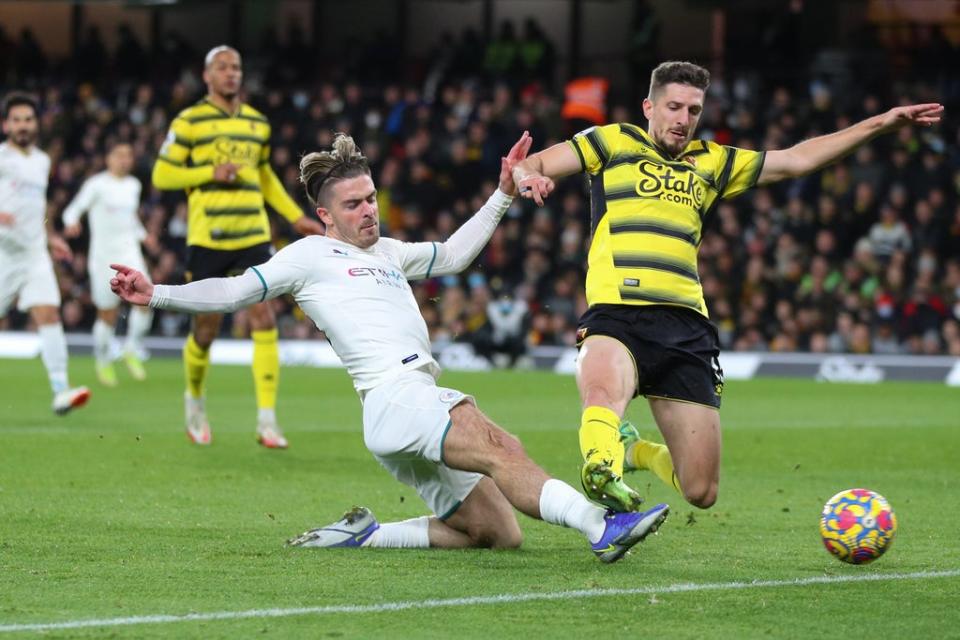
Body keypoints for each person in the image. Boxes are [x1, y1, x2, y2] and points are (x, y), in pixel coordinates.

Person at [111, 131, 670, 563]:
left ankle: (368, 536)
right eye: (353, 204)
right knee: (501, 444)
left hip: (402, 409)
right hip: (394, 396)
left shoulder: (389, 252)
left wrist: (501, 196)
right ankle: (601, 527)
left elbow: (452, 255)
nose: (369, 211)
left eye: (372, 198)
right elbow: (234, 291)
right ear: (325, 216)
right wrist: (155, 293)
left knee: (498, 534)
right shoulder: (308, 256)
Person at [511, 60, 943, 512]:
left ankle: (633, 450)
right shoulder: (612, 140)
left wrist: (881, 123)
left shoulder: (714, 161)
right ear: (649, 107)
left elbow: (796, 160)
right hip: (617, 313)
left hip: (685, 329)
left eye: (693, 110)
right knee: (601, 390)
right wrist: (530, 176)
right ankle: (601, 468)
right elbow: (536, 161)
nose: (683, 119)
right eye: (674, 107)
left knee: (700, 490)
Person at [151, 45, 325, 449]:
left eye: (237, 68)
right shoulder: (190, 120)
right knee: (206, 329)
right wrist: (209, 171)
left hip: (253, 235)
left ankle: (267, 419)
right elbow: (162, 174)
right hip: (208, 237)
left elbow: (263, 175)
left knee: (264, 318)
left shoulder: (256, 123)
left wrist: (292, 215)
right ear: (207, 76)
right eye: (223, 68)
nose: (232, 74)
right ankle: (194, 401)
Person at [0, 92, 90, 415]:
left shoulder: (41, 161)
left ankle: (60, 390)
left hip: (34, 253)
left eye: (28, 119)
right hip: (3, 254)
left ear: (36, 124)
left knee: (49, 313)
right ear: (6, 124)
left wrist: (51, 237)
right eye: (17, 120)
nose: (23, 125)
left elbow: (38, 208)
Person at [62, 142, 153, 387]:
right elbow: (72, 210)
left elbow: (130, 218)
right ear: (109, 158)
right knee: (108, 313)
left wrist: (144, 236)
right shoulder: (97, 185)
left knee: (147, 299)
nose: (125, 160)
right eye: (120, 155)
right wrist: (71, 222)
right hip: (103, 258)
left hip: (130, 253)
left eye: (128, 155)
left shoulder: (134, 185)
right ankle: (103, 360)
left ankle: (132, 349)